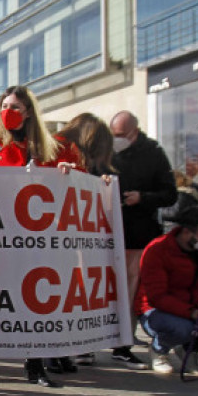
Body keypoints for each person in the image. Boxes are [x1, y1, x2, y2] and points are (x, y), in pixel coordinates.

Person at [0, 85, 72, 387]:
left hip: (33, 238)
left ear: (28, 113)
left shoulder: (49, 146)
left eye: (15, 107)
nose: (8, 112)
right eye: (4, 106)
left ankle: (35, 365)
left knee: (33, 297)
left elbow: (62, 185)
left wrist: (65, 173)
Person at [109, 110, 177, 370]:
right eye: (113, 135)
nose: (117, 140)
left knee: (131, 288)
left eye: (121, 136)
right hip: (108, 233)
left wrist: (143, 198)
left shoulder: (154, 154)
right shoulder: (107, 152)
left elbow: (169, 194)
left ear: (134, 132)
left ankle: (122, 345)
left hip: (139, 234)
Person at [50, 112, 116, 369]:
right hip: (63, 236)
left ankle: (67, 348)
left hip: (66, 236)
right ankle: (64, 349)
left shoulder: (59, 148)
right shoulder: (58, 149)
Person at [137, 206, 198, 375]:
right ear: (186, 233)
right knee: (183, 328)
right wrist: (196, 315)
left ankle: (187, 349)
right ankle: (159, 350)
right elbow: (157, 297)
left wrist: (197, 314)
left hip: (192, 310)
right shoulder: (158, 249)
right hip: (155, 311)